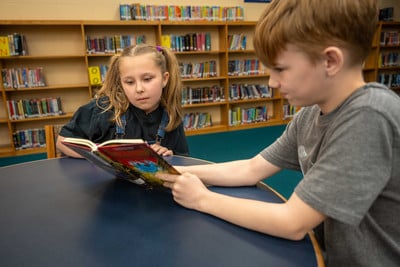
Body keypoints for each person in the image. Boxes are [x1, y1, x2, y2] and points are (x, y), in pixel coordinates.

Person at [157, 0, 400, 266]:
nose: (272, 82)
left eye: (280, 69)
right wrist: (172, 172)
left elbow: (293, 222)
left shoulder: (369, 115)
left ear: (330, 60)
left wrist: (202, 198)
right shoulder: (309, 114)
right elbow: (251, 169)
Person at [57, 44, 189, 157]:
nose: (139, 89)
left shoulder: (171, 117)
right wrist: (99, 157)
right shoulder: (103, 109)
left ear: (164, 79)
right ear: (121, 82)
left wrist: (168, 156)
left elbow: (183, 161)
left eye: (147, 79)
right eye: (129, 82)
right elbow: (62, 141)